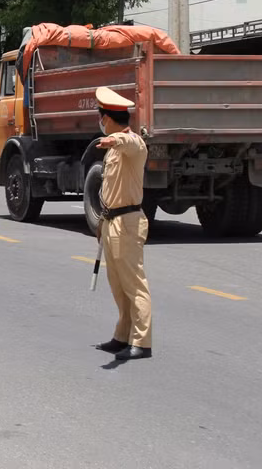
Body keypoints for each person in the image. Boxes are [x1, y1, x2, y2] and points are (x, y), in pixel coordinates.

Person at [92, 86, 153, 361]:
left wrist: (114, 139)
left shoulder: (133, 144)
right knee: (117, 284)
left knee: (134, 284)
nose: (100, 123)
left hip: (128, 222)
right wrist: (101, 223)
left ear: (108, 118)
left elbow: (130, 144)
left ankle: (142, 341)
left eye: (101, 117)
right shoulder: (114, 149)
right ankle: (123, 335)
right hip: (111, 221)